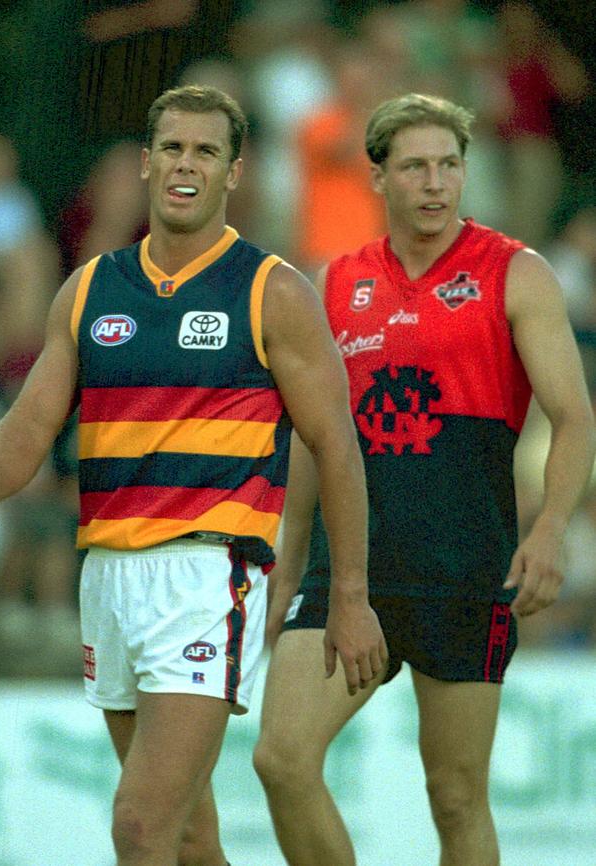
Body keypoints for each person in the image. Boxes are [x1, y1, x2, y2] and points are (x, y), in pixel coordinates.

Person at [0, 85, 386, 866]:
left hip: (204, 574)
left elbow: (337, 446)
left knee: (138, 826)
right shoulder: (89, 288)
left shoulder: (271, 290)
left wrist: (348, 595)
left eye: (206, 151)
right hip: (106, 575)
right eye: (173, 148)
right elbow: (33, 420)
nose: (187, 164)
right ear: (147, 164)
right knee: (186, 836)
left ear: (233, 172)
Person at [253, 92, 596, 866]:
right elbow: (315, 436)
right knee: (281, 760)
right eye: (414, 167)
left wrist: (549, 532)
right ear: (378, 178)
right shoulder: (334, 283)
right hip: (350, 574)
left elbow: (576, 417)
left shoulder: (516, 273)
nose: (436, 183)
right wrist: (289, 559)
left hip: (463, 570)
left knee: (455, 797)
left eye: (449, 164)